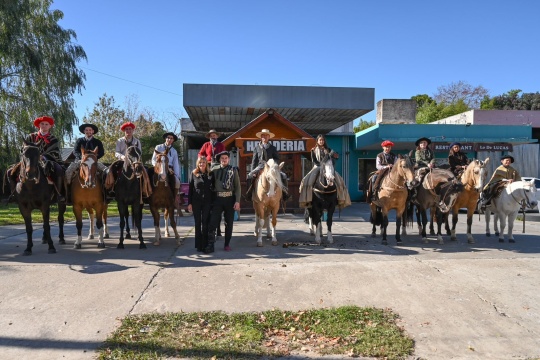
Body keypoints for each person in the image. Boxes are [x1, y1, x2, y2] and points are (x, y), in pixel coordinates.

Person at [7, 116, 66, 203]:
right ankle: (14, 194)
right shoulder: (30, 136)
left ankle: (58, 194)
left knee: (58, 170)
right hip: (28, 160)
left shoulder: (53, 139)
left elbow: (55, 152)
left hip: (47, 160)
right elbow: (23, 149)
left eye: (46, 124)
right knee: (10, 171)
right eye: (42, 124)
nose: (44, 126)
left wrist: (43, 156)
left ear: (50, 126)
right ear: (39, 125)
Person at [299, 134, 350, 208]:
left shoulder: (328, 150)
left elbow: (335, 158)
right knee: (307, 180)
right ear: (317, 141)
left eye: (323, 140)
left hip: (328, 167)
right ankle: (307, 200)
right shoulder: (313, 150)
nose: (321, 141)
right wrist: (321, 165)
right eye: (320, 140)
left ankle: (341, 199)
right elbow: (314, 161)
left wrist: (334, 156)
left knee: (339, 180)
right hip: (318, 167)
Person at [205, 151, 241, 254]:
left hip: (229, 199)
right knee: (213, 222)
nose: (224, 160)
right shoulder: (214, 170)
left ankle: (227, 244)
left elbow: (238, 187)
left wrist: (237, 201)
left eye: (226, 158)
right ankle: (210, 244)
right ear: (219, 160)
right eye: (222, 158)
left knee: (229, 223)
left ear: (229, 159)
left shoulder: (233, 170)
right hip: (217, 199)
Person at [64, 123, 108, 202]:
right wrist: (82, 158)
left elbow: (101, 152)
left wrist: (94, 158)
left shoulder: (97, 142)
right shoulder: (79, 140)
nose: (88, 131)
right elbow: (75, 151)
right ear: (84, 131)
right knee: (68, 171)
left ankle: (106, 193)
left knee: (106, 171)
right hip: (80, 161)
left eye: (90, 130)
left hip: (94, 161)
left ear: (93, 131)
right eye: (87, 130)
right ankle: (68, 193)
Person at [245, 129, 289, 201]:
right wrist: (252, 171)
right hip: (260, 166)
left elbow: (277, 158)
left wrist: (273, 164)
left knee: (283, 175)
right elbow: (254, 161)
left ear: (269, 137)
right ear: (261, 137)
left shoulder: (273, 148)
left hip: (271, 167)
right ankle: (249, 194)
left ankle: (285, 194)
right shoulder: (256, 148)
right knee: (249, 175)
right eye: (263, 135)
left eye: (266, 135)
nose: (264, 137)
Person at [187, 157, 213, 252]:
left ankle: (205, 244)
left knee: (205, 223)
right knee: (197, 223)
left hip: (207, 202)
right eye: (200, 162)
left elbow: (213, 189)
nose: (202, 164)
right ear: (198, 164)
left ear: (206, 164)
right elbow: (190, 190)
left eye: (204, 162)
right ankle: (198, 245)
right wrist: (189, 203)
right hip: (196, 202)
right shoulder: (193, 174)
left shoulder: (210, 174)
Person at [152, 132, 181, 202]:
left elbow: (175, 164)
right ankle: (148, 195)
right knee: (148, 177)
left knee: (177, 182)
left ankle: (173, 199)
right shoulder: (158, 147)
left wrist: (177, 175)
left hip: (170, 169)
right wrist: (157, 167)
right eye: (168, 138)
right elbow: (153, 160)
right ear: (165, 138)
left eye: (171, 138)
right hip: (158, 168)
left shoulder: (174, 151)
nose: (169, 139)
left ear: (173, 140)